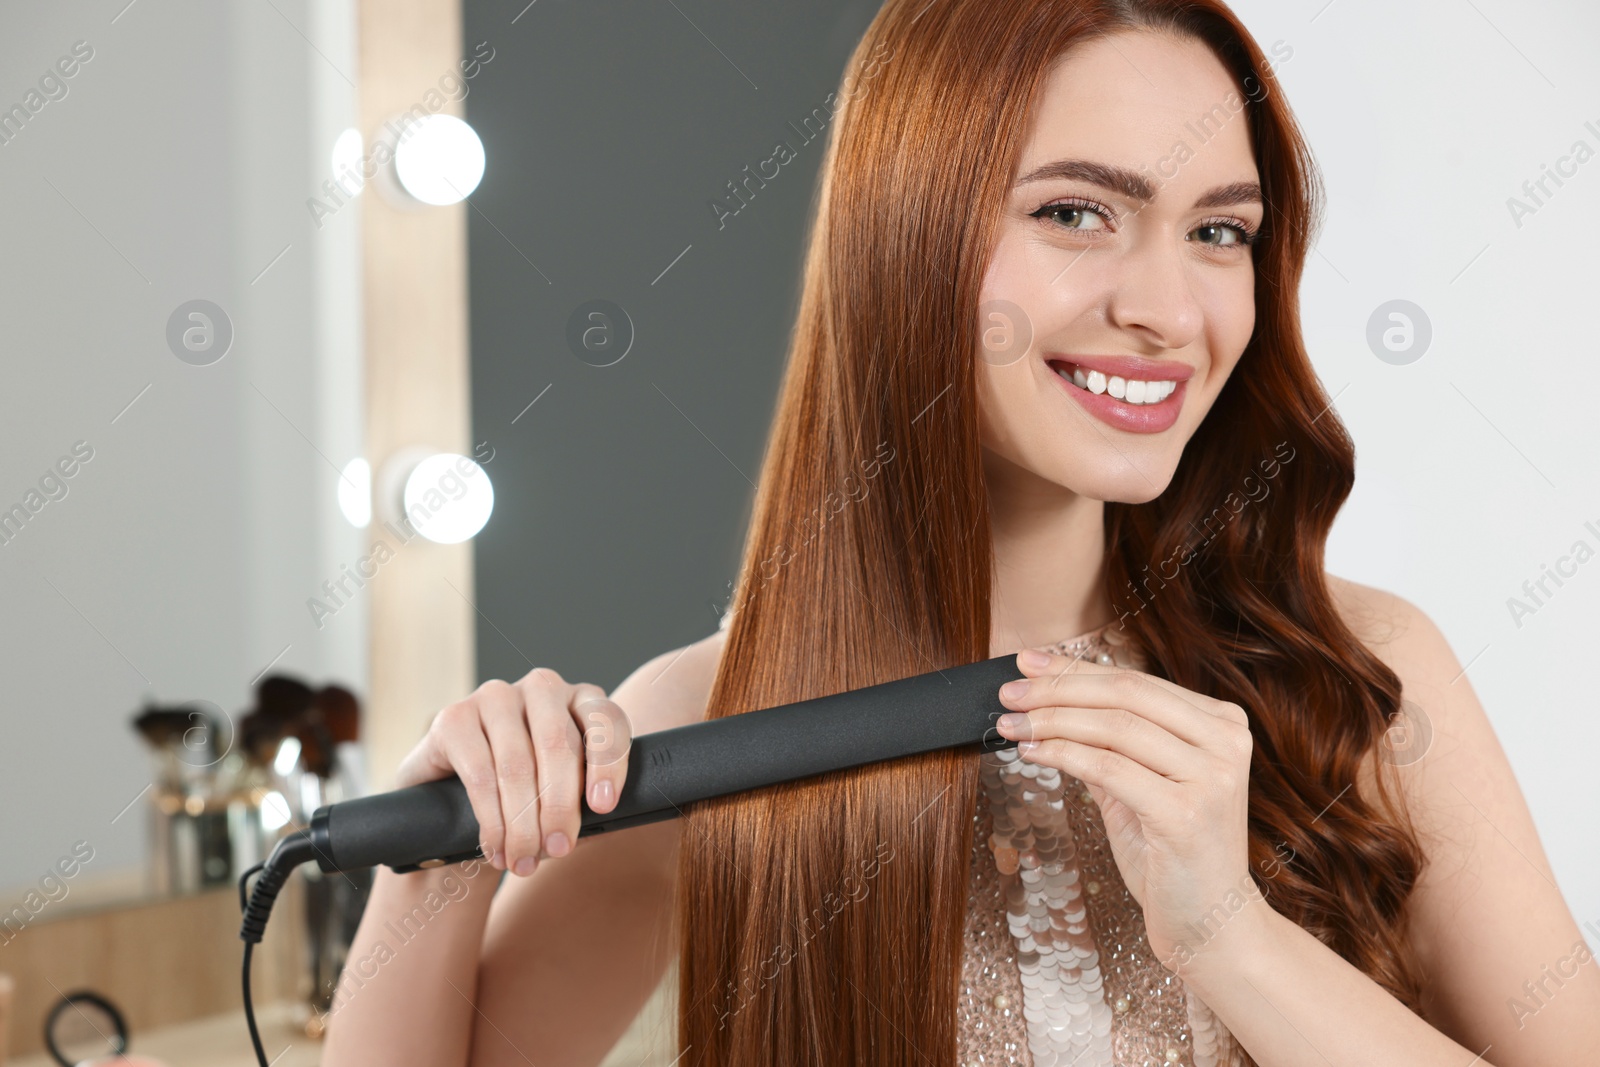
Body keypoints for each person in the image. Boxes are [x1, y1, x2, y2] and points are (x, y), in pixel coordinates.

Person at [321, 1, 1600, 1064]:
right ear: (906, 238)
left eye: (1219, 232)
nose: (1166, 306)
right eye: (1074, 213)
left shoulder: (1359, 676)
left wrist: (1230, 939)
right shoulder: (716, 720)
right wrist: (442, 853)